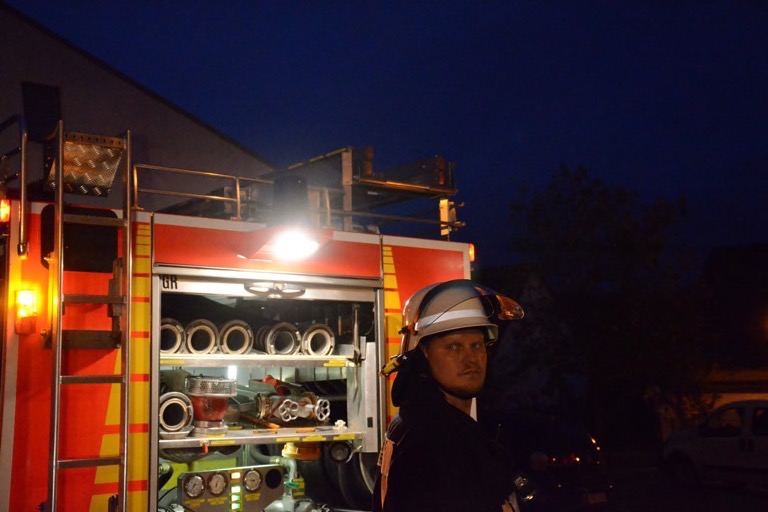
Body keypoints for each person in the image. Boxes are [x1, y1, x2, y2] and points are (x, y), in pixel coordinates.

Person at [373, 279, 525, 512]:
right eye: (453, 347)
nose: (470, 359)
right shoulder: (437, 442)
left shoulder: (419, 422)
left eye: (477, 345)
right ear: (422, 355)